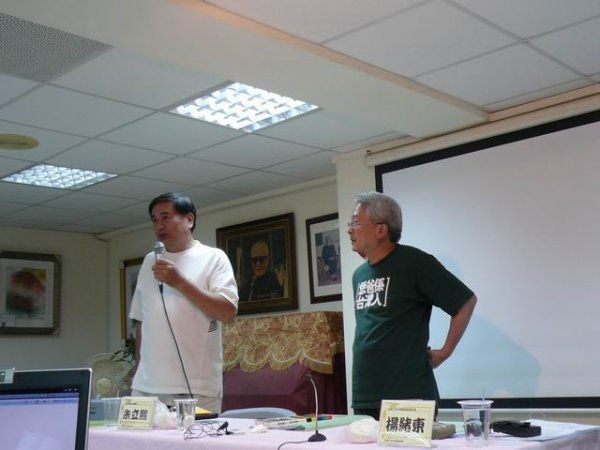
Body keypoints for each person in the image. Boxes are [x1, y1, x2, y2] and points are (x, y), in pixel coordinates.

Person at [348, 192, 476, 419]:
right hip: (365, 394)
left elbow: (465, 301)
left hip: (408, 394)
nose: (350, 230)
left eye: (356, 223)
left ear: (381, 230)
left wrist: (445, 352)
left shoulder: (415, 263)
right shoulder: (359, 274)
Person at [129, 192, 238, 413]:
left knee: (198, 436)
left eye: (165, 217)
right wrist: (139, 372)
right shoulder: (150, 261)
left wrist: (180, 282)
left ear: (189, 219)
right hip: (146, 388)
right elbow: (141, 321)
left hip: (197, 387)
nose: (159, 225)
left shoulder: (213, 257)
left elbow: (227, 312)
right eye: (154, 220)